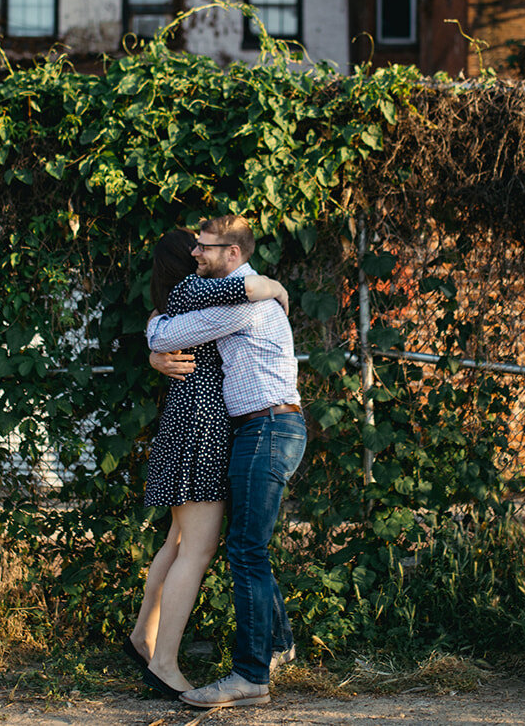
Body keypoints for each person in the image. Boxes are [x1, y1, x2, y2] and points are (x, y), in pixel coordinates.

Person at [146, 214, 304, 710]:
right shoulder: (239, 292)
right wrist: (156, 345)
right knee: (247, 546)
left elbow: (171, 330)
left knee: (245, 550)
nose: (196, 255)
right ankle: (277, 647)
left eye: (206, 248)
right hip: (255, 429)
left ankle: (251, 677)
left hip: (268, 428)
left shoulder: (242, 303)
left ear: (232, 254)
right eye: (193, 247)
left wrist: (156, 342)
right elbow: (166, 329)